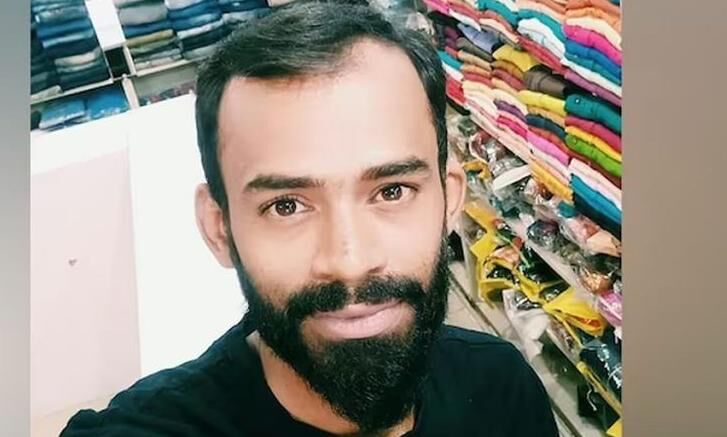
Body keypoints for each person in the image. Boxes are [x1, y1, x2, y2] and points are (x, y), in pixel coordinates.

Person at [62, 1, 558, 436]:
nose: (350, 261)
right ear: (220, 229)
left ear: (449, 200)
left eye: (391, 191)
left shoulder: (503, 392)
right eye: (287, 206)